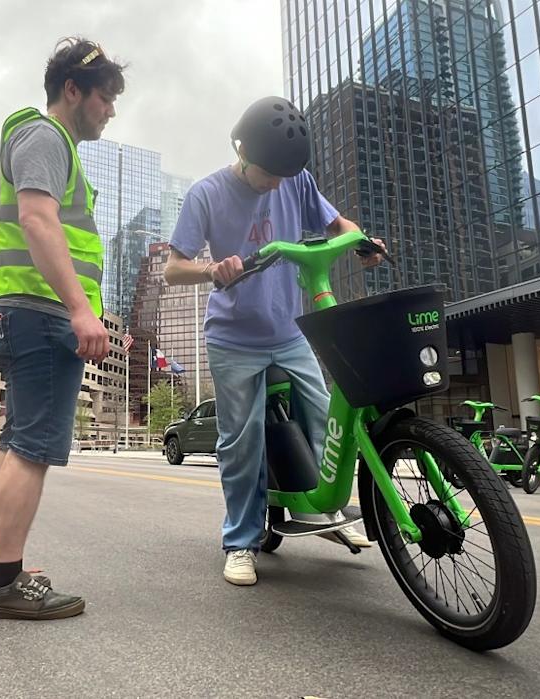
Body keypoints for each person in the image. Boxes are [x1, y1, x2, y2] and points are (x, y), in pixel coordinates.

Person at [164, 96, 387, 586]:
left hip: (289, 332)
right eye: (269, 174)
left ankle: (321, 511)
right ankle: (241, 542)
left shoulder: (295, 178)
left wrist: (363, 241)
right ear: (240, 151)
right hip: (233, 338)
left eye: (285, 176)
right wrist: (210, 268)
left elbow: (337, 224)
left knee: (326, 417)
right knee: (241, 442)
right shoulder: (206, 193)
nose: (277, 185)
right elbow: (173, 267)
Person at [0, 37, 125, 620]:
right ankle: (3, 583)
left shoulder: (46, 143)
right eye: (105, 97)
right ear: (73, 90)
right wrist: (81, 310)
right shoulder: (46, 137)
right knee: (32, 451)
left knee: (11, 445)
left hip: (17, 310)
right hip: (39, 312)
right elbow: (36, 219)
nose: (110, 110)